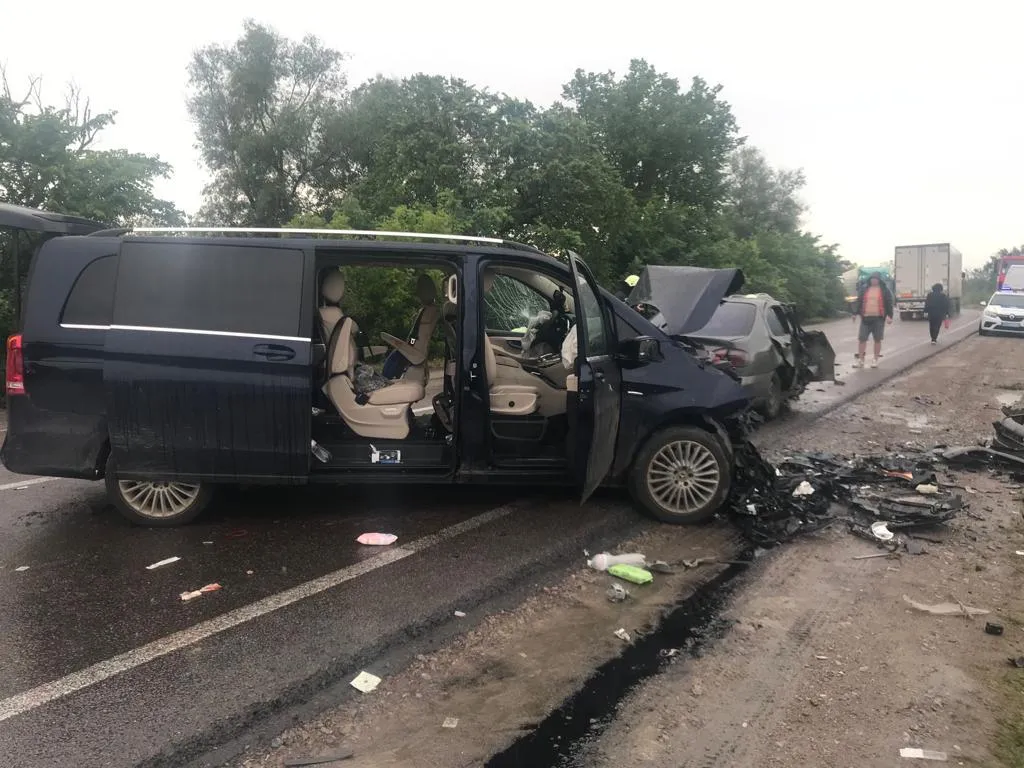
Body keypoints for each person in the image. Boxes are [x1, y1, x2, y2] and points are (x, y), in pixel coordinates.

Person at [852, 271, 894, 368]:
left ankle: (875, 359)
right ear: (870, 279)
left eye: (876, 279)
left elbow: (889, 303)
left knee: (877, 339)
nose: (874, 280)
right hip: (865, 318)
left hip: (878, 318)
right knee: (862, 339)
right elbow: (859, 301)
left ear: (879, 280)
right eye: (872, 279)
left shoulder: (884, 290)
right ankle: (861, 360)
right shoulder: (864, 289)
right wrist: (854, 313)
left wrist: (890, 316)